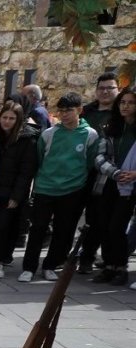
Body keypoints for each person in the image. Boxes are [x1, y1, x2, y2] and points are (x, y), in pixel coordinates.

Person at [18, 93, 100, 282]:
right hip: (45, 188)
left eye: (69, 110)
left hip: (72, 190)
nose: (64, 115)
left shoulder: (90, 134)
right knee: (38, 229)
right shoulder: (49, 133)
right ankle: (28, 267)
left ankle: (50, 265)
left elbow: (89, 162)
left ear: (79, 110)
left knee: (63, 231)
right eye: (61, 111)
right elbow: (40, 158)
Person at [0, 101, 38, 280]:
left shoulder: (26, 139)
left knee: (4, 226)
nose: (7, 121)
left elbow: (26, 171)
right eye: (4, 117)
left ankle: (1, 261)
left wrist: (17, 196)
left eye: (11, 118)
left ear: (18, 120)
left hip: (12, 191)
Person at [77, 72, 124, 275]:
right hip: (81, 172)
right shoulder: (85, 112)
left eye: (110, 88)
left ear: (118, 90)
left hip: (108, 175)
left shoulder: (121, 114)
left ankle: (92, 258)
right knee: (76, 216)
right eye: (101, 88)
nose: (105, 92)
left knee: (100, 218)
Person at [92, 87, 136, 286]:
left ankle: (120, 267)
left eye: (130, 103)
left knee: (117, 226)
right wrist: (115, 173)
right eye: (123, 102)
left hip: (130, 186)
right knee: (103, 225)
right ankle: (108, 266)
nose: (125, 106)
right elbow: (100, 157)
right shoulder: (111, 127)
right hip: (110, 182)